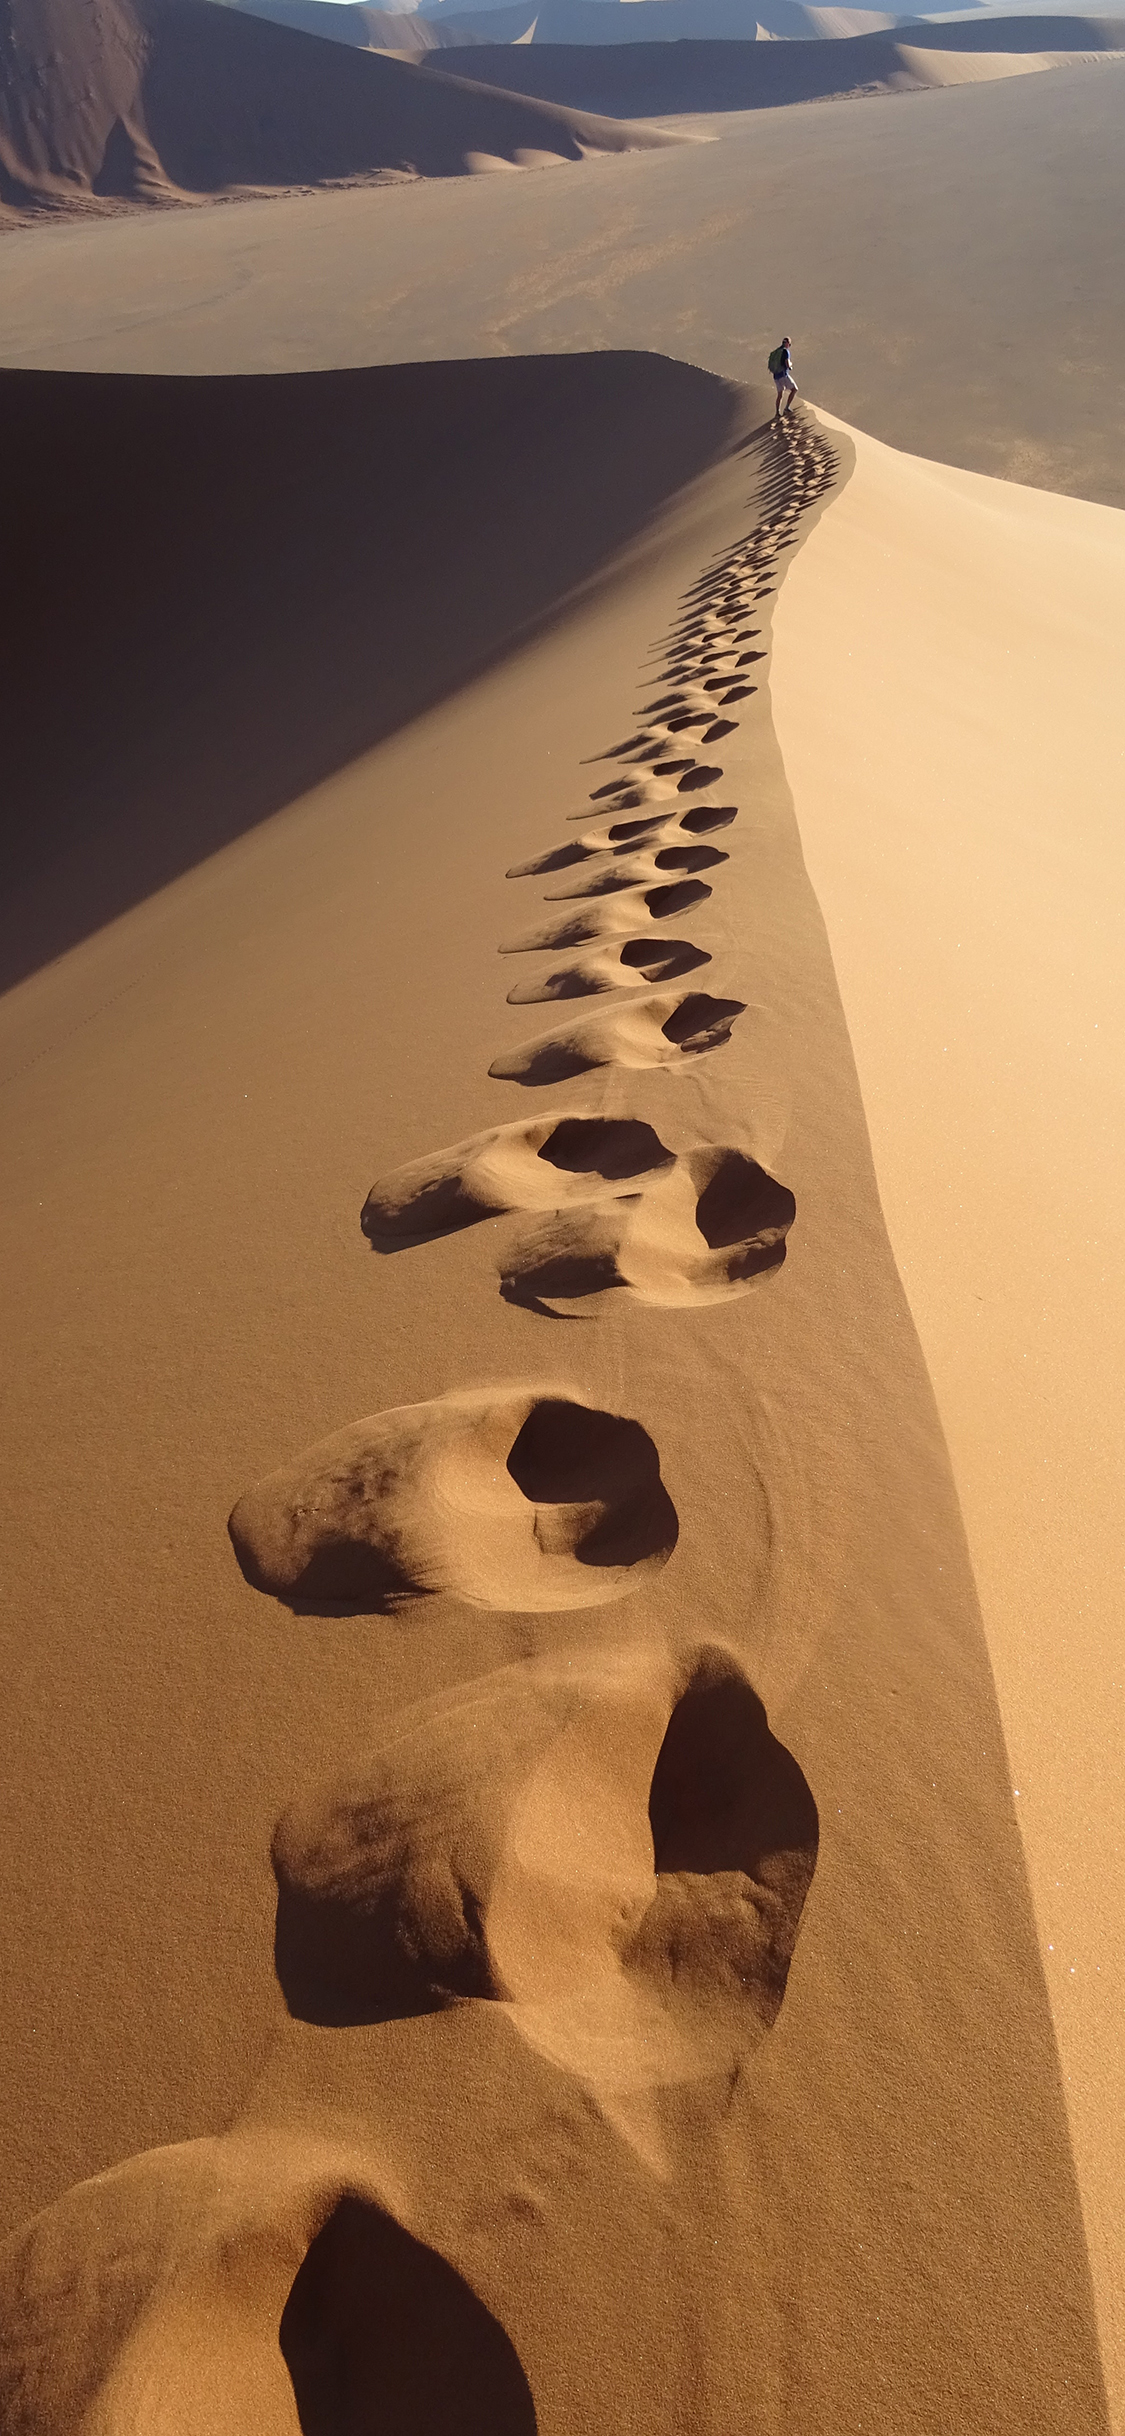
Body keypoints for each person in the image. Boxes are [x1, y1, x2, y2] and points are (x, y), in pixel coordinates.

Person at [768, 336, 797, 420]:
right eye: (789, 344)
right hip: (783, 375)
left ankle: (777, 413)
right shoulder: (785, 351)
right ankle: (786, 408)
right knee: (794, 389)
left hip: (776, 377)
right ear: (788, 344)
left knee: (780, 394)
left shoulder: (777, 351)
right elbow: (787, 364)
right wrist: (791, 366)